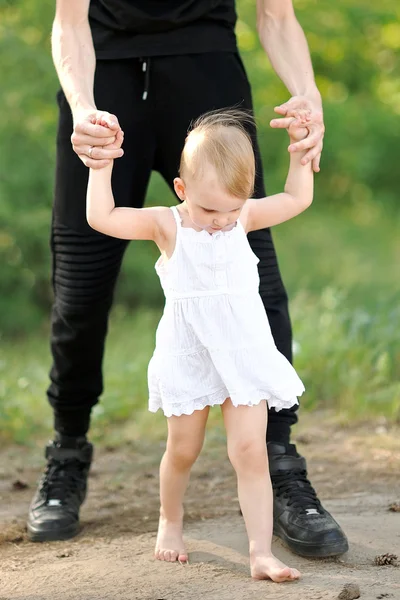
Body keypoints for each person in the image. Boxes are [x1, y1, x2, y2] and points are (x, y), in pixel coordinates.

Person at [28, 0, 348, 558]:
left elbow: (275, 13)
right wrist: (84, 108)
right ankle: (68, 452)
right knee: (79, 288)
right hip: (105, 77)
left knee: (258, 281)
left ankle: (280, 464)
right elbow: (69, 19)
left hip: (207, 70)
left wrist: (309, 95)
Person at [87, 108, 311, 580]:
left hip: (243, 354)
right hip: (190, 355)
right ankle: (170, 520)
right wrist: (101, 167)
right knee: (183, 449)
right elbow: (102, 217)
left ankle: (260, 552)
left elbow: (295, 198)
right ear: (182, 190)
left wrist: (300, 149)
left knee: (250, 450)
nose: (221, 222)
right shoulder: (167, 225)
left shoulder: (241, 216)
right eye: (210, 211)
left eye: (232, 210)